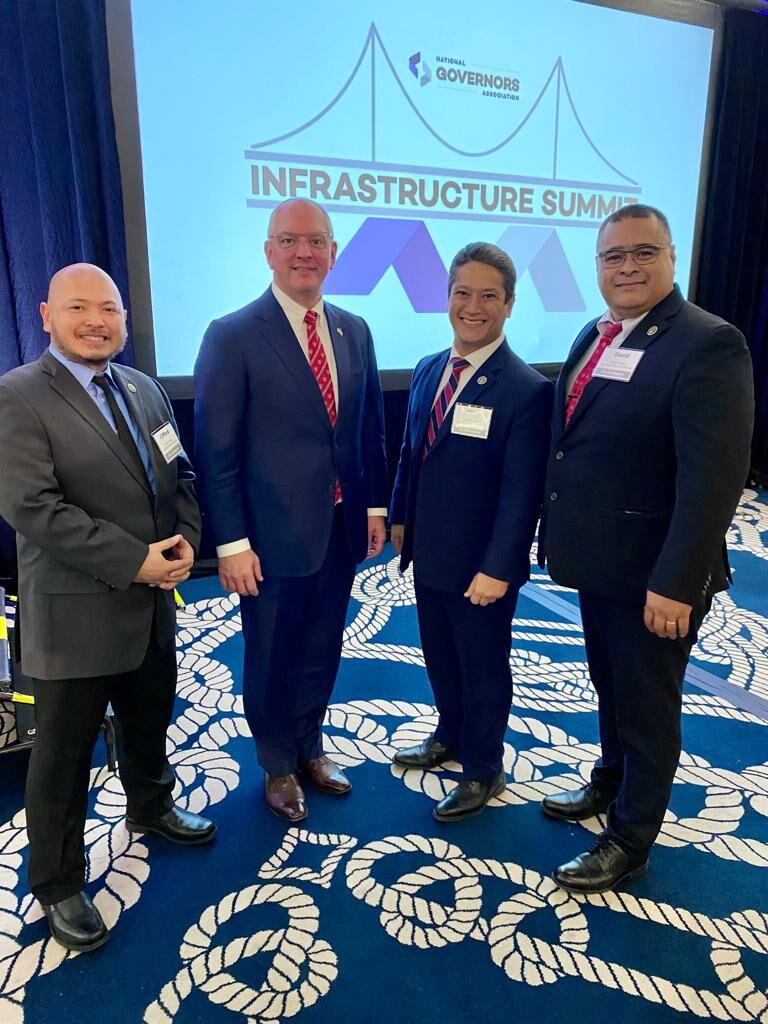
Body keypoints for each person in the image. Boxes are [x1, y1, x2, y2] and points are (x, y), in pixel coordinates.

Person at [0, 264, 215, 953]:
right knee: (63, 758)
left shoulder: (146, 389)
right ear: (46, 315)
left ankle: (150, 807)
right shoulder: (17, 396)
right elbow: (34, 509)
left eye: (109, 309)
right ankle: (59, 882)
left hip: (151, 605)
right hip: (75, 616)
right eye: (78, 308)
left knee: (149, 717)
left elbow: (181, 475)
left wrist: (187, 541)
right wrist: (134, 560)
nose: (96, 321)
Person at [539, 204, 754, 893]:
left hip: (656, 576)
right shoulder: (597, 332)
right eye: (613, 256)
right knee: (611, 687)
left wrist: (677, 581)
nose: (627, 267)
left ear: (670, 259)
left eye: (643, 253)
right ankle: (609, 782)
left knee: (648, 707)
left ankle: (630, 839)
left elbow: (713, 482)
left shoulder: (707, 343)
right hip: (602, 562)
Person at [194, 199, 388, 823]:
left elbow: (368, 429)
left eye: (316, 241)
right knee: (272, 651)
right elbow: (216, 452)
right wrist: (231, 544)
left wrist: (374, 505)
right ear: (269, 251)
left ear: (333, 251)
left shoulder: (354, 330)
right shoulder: (232, 335)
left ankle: (309, 744)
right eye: (289, 240)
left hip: (340, 528)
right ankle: (277, 762)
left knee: (323, 644)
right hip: (269, 538)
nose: (303, 252)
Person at [389, 243, 553, 821]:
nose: (473, 307)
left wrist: (499, 567)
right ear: (448, 297)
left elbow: (521, 494)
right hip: (429, 551)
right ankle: (450, 736)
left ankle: (483, 767)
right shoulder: (429, 368)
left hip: (482, 565)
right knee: (440, 655)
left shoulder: (526, 390)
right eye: (463, 293)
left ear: (509, 305)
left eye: (488, 296)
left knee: (483, 666)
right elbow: (412, 451)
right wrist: (400, 516)